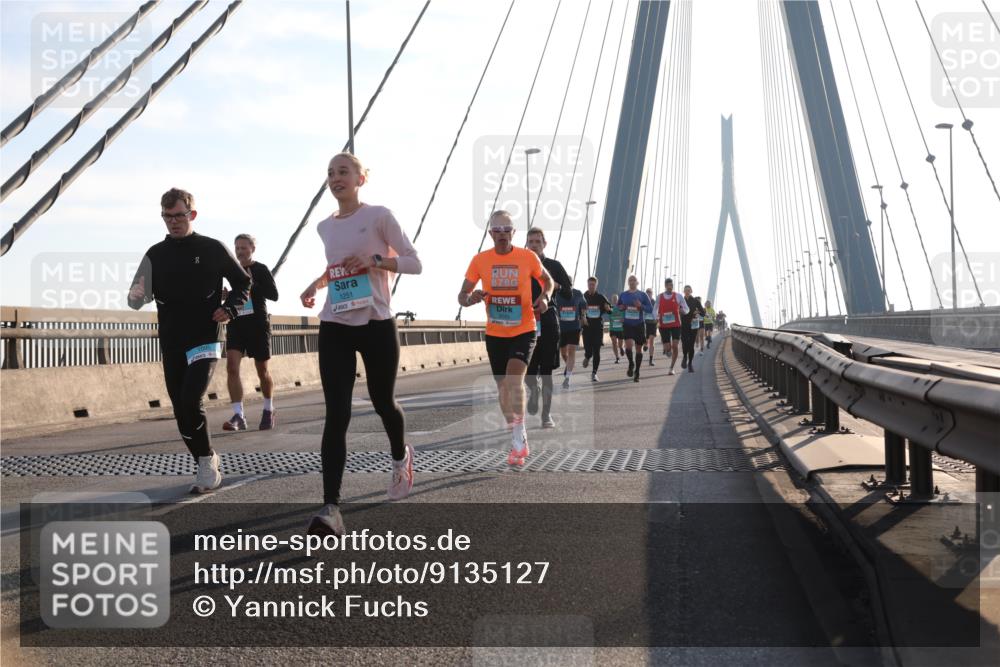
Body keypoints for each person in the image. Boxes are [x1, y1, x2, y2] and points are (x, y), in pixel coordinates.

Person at [300, 152, 422, 537]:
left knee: (383, 401)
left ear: (360, 179)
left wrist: (375, 261)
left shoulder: (380, 216)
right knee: (336, 414)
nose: (336, 178)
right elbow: (337, 268)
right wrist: (316, 284)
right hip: (335, 323)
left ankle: (400, 457)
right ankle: (331, 508)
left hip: (376, 322)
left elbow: (414, 262)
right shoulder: (324, 227)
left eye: (343, 171)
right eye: (330, 173)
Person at [128, 188, 251, 494]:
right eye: (167, 217)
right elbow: (136, 297)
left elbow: (242, 282)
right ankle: (205, 457)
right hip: (172, 340)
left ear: (192, 214)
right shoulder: (155, 254)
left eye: (179, 215)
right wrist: (136, 295)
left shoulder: (212, 248)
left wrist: (230, 308)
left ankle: (206, 466)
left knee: (190, 399)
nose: (173, 222)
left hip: (206, 337)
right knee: (180, 409)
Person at [459, 211, 552, 460]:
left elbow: (548, 281)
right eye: (497, 230)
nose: (502, 234)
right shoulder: (480, 260)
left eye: (506, 230)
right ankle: (514, 431)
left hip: (524, 329)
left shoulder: (528, 257)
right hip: (495, 333)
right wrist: (470, 298)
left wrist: (545, 297)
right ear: (490, 233)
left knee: (513, 380)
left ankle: (520, 435)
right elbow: (462, 295)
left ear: (514, 233)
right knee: (502, 388)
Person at [222, 234, 279, 431]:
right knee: (231, 367)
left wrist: (253, 284)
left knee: (262, 371)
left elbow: (274, 295)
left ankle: (269, 409)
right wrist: (227, 295)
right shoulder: (232, 270)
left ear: (252, 249)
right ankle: (238, 415)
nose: (239, 251)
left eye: (243, 248)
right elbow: (236, 296)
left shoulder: (260, 269)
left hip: (257, 325)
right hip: (236, 324)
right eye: (237, 248)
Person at [524, 228, 572, 429]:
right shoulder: (521, 265)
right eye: (531, 241)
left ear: (544, 244)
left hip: (549, 320)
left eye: (538, 241)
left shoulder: (554, 266)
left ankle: (546, 415)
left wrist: (556, 286)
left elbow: (569, 293)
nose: (534, 245)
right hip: (526, 321)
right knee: (527, 371)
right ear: (526, 244)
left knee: (546, 371)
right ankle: (533, 391)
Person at [617, 275, 654, 382]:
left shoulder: (642, 295)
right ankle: (631, 363)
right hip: (627, 324)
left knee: (638, 349)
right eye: (630, 280)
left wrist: (641, 306)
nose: (632, 282)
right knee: (628, 347)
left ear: (637, 282)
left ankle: (637, 372)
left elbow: (650, 309)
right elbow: (618, 306)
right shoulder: (623, 294)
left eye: (634, 280)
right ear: (628, 283)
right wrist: (621, 307)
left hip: (639, 324)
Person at [554, 286, 587, 388]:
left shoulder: (577, 293)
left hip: (574, 327)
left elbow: (584, 305)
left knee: (571, 351)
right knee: (563, 354)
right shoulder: (557, 294)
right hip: (561, 328)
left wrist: (583, 316)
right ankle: (569, 365)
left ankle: (567, 378)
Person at [581, 277, 612, 382]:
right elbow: (578, 309)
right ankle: (587, 356)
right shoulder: (583, 297)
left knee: (596, 350)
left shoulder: (601, 297)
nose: (591, 286)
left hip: (598, 327)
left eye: (593, 285)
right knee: (588, 350)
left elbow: (610, 310)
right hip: (587, 328)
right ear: (587, 284)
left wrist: (608, 308)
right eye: (590, 284)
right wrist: (582, 318)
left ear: (596, 285)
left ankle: (594, 373)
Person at [657, 277, 689, 376]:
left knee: (675, 346)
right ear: (665, 286)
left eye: (671, 285)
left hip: (676, 324)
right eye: (668, 285)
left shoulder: (678, 296)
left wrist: (683, 311)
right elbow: (654, 309)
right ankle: (667, 349)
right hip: (664, 325)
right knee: (668, 348)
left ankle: (671, 368)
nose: (670, 287)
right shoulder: (660, 297)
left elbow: (687, 308)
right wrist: (655, 317)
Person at [679, 285, 703, 373]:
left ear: (691, 291)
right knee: (685, 343)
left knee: (691, 345)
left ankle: (690, 364)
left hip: (693, 325)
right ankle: (685, 357)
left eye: (689, 290)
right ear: (684, 291)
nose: (687, 292)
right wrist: (679, 311)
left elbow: (703, 312)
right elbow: (676, 310)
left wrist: (698, 312)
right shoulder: (681, 301)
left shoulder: (696, 301)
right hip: (684, 324)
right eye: (686, 290)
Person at [608, 293, 625, 363]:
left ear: (618, 300)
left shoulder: (621, 307)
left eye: (616, 299)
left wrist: (623, 319)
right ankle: (617, 357)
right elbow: (608, 315)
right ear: (612, 300)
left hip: (620, 329)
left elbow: (625, 316)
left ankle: (621, 348)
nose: (615, 300)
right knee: (614, 343)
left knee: (620, 344)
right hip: (612, 328)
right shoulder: (610, 308)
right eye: (614, 299)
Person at [643, 287, 658, 366]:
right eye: (647, 293)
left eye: (650, 293)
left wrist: (658, 318)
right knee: (646, 339)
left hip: (653, 323)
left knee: (651, 340)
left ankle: (651, 360)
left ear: (652, 294)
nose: (649, 295)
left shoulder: (655, 302)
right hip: (645, 323)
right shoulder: (643, 302)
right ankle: (645, 344)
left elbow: (658, 311)